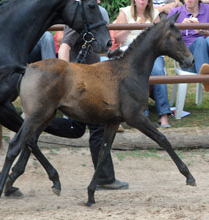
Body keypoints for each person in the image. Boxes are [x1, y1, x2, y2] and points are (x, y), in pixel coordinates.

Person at [57, 0, 129, 190]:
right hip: (82, 82)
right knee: (98, 129)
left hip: (91, 78)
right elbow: (65, 47)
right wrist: (66, 78)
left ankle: (32, 126)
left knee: (76, 129)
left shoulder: (98, 12)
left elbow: (101, 45)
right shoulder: (80, 14)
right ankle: (105, 178)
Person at [113, 0, 172, 128]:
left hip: (151, 53)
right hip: (129, 52)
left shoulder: (154, 14)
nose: (142, 1)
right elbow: (117, 39)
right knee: (136, 74)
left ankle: (164, 115)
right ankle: (141, 113)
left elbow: (161, 37)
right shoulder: (125, 12)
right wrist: (131, 28)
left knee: (158, 71)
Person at [168, 0, 209, 91]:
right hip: (188, 62)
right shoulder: (175, 12)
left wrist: (205, 32)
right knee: (200, 41)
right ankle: (206, 79)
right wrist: (180, 28)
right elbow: (167, 42)